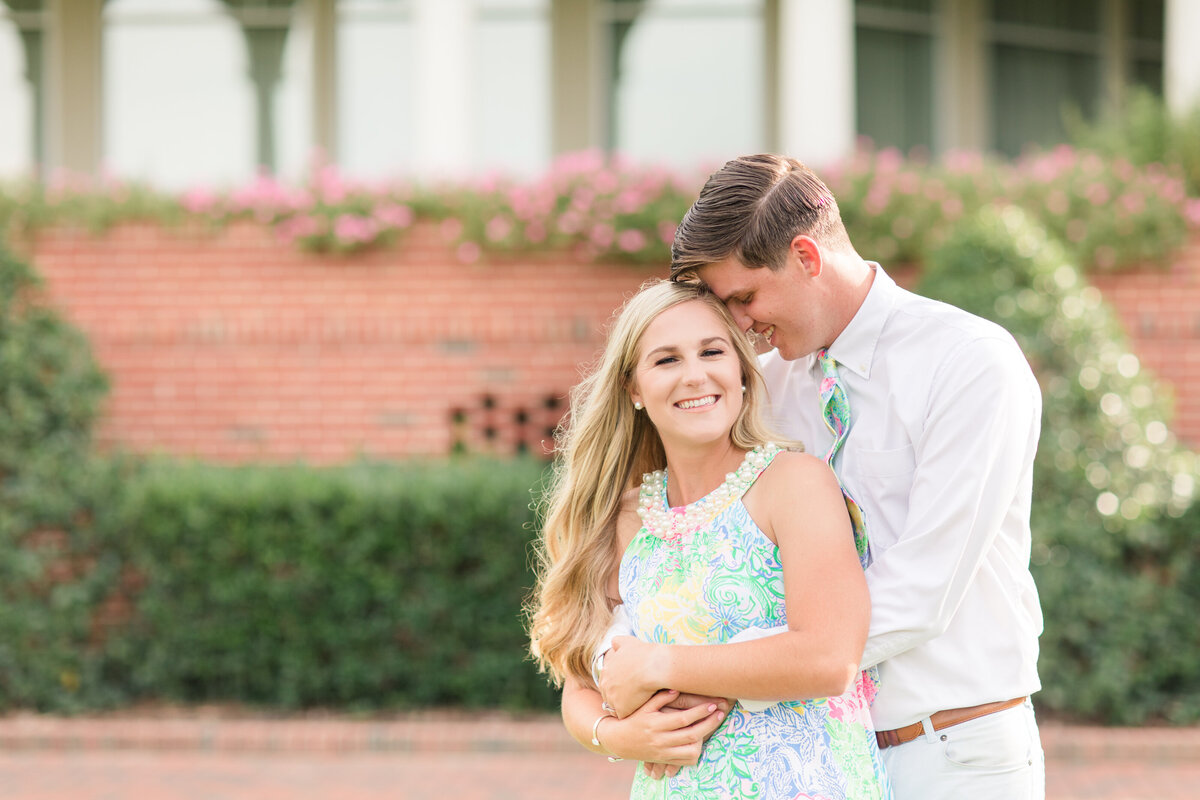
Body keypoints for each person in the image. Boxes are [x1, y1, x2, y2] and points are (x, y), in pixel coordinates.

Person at [580, 153, 1047, 799]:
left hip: (950, 749)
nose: (739, 325)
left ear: (805, 255)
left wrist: (689, 671)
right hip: (814, 764)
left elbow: (921, 591)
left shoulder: (967, 364)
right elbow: (673, 553)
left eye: (744, 297)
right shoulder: (764, 387)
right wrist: (614, 685)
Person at [527, 279, 891, 798]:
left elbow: (830, 659)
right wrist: (616, 735)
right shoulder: (626, 518)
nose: (695, 375)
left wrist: (659, 664)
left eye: (712, 351)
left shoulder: (793, 483)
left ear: (742, 369)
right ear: (634, 388)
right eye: (667, 360)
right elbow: (582, 682)